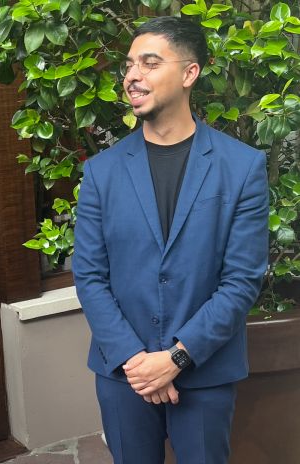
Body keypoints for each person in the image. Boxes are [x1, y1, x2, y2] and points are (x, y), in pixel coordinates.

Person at [72, 16, 268, 464]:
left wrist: (176, 358)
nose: (131, 76)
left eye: (149, 63)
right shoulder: (101, 172)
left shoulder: (241, 168)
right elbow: (89, 275)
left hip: (204, 373)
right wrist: (136, 360)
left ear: (189, 73)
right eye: (128, 66)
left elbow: (240, 282)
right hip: (125, 376)